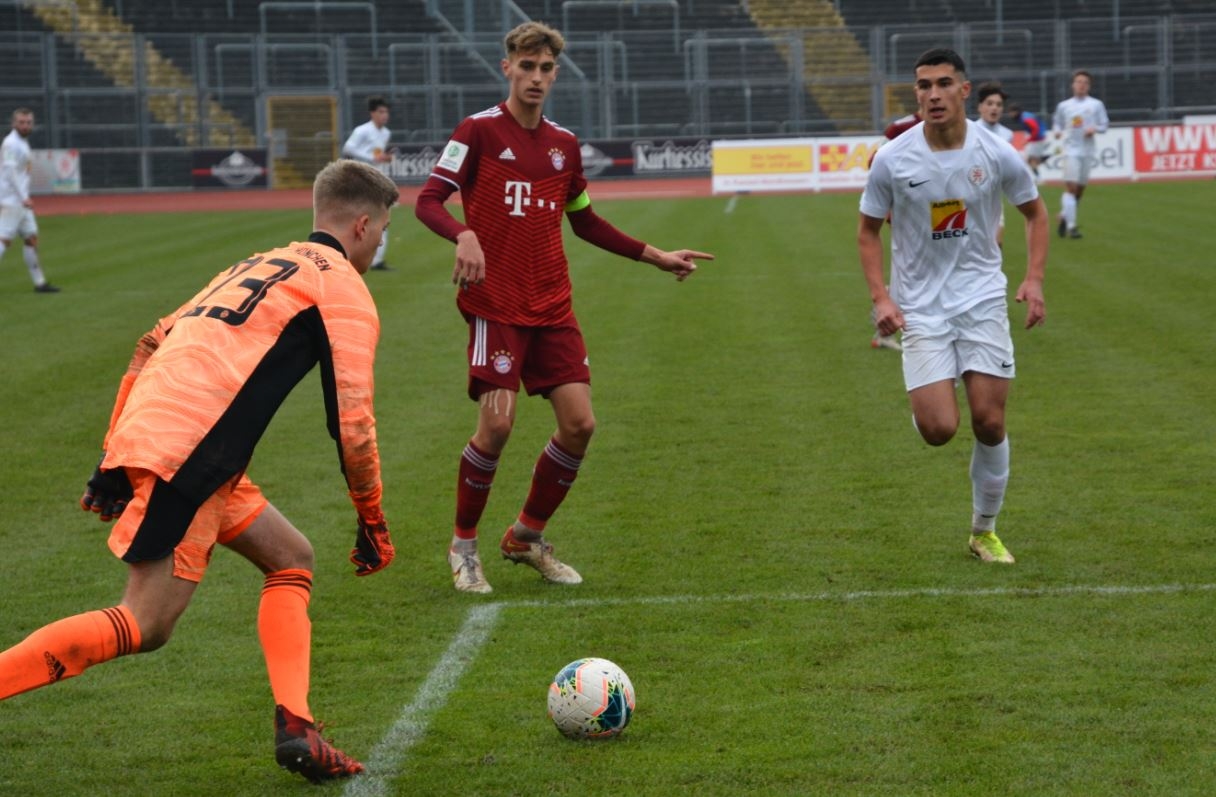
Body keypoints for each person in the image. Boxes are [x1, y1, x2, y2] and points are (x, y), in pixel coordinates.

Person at [0, 159, 399, 784]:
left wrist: (112, 457)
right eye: (383, 232)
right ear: (363, 223)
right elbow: (353, 423)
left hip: (178, 442)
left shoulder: (260, 261)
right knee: (146, 622)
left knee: (291, 558)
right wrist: (372, 518)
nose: (381, 245)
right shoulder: (342, 287)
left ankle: (298, 728)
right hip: (194, 452)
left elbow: (150, 341)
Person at [415, 21, 713, 594]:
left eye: (545, 68)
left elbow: (584, 220)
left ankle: (526, 537)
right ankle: (464, 546)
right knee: (497, 426)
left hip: (552, 304)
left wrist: (655, 256)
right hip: (496, 305)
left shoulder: (563, 145)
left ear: (555, 73)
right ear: (508, 68)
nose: (535, 77)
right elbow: (428, 201)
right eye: (525, 66)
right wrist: (462, 235)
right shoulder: (476, 132)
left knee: (580, 425)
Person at [857, 47, 1048, 564]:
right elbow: (868, 232)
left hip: (982, 299)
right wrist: (882, 297)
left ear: (965, 91)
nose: (933, 94)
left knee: (988, 420)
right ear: (915, 94)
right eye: (923, 86)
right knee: (940, 431)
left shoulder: (997, 153)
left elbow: (1034, 213)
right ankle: (927, 396)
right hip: (920, 308)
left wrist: (1033, 278)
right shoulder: (893, 158)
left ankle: (983, 531)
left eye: (943, 84)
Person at [867, 111, 923, 353]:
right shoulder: (900, 128)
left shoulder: (953, 127)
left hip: (931, 206)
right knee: (910, 265)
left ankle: (886, 321)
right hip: (905, 206)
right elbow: (874, 160)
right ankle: (884, 317)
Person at [1, 108, 59, 292]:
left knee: (31, 238)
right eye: (21, 122)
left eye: (28, 122)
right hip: (11, 200)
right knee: (3, 240)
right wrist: (23, 197)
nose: (25, 126)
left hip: (20, 202)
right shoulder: (11, 143)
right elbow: (10, 172)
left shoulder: (21, 143)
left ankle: (39, 283)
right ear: (13, 123)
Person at [1051, 70, 1109, 239]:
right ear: (1073, 85)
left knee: (1079, 192)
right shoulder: (1064, 106)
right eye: (1078, 81)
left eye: (1085, 82)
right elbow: (1057, 122)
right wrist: (1056, 132)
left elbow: (1104, 125)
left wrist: (1095, 129)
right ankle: (1072, 226)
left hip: (1087, 151)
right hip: (1070, 150)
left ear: (1089, 86)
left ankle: (1063, 216)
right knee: (1071, 187)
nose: (1081, 85)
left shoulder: (1096, 105)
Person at [342, 95, 395, 270]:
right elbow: (348, 148)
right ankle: (352, 255)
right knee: (360, 218)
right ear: (372, 113)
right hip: (361, 179)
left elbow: (377, 156)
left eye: (386, 111)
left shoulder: (386, 133)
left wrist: (383, 159)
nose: (384, 115)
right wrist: (373, 158)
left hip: (376, 180)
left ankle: (376, 260)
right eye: (380, 111)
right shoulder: (362, 130)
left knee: (380, 218)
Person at [975, 81, 1014, 247]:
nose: (994, 108)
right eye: (989, 104)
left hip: (994, 197)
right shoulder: (970, 131)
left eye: (998, 104)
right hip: (970, 196)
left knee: (996, 244)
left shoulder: (1007, 135)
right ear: (980, 107)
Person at [1005, 102, 1047, 181]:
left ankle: (1038, 176)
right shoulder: (1024, 116)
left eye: (1011, 112)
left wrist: (1029, 139)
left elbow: (1035, 129)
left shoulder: (1025, 119)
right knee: (1030, 159)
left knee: (1030, 159)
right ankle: (1038, 173)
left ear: (1016, 111)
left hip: (1038, 138)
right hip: (1038, 137)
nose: (1010, 114)